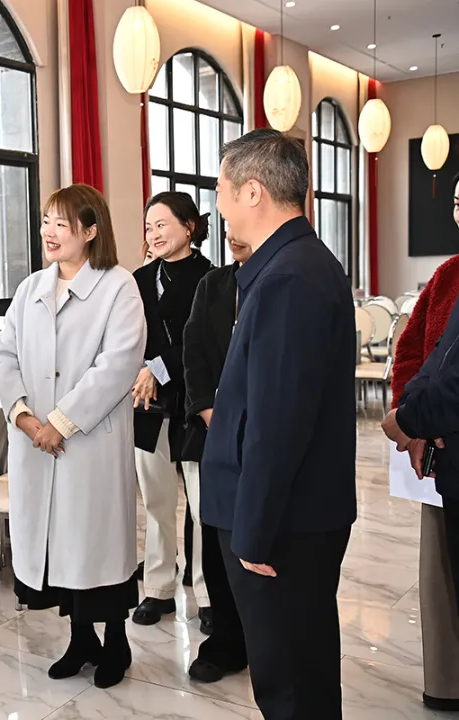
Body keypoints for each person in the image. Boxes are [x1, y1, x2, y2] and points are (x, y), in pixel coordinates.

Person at [201, 128, 356, 719]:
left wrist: (254, 532)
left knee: (291, 687)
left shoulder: (289, 277)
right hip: (295, 518)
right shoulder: (294, 264)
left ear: (253, 192)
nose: (218, 204)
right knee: (302, 675)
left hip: (284, 528)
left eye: (221, 189)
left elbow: (277, 423)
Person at [0, 183, 145, 688]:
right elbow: (4, 353)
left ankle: (116, 642)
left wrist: (61, 421)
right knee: (58, 549)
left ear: (91, 230)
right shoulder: (31, 287)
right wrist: (23, 415)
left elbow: (118, 363)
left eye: (62, 223)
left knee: (97, 545)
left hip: (89, 441)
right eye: (45, 222)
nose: (49, 232)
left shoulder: (118, 286)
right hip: (35, 440)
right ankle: (81, 641)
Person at [384, 172, 459, 712]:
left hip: (439, 427)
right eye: (457, 201)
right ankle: (445, 684)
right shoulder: (447, 273)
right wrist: (412, 416)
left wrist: (412, 418)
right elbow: (415, 350)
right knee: (441, 576)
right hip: (434, 444)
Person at [131, 192, 214, 626]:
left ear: (189, 227)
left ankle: (207, 593)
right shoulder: (139, 279)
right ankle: (159, 588)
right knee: (156, 501)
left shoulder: (213, 279)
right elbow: (127, 339)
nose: (154, 234)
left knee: (201, 507)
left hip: (194, 405)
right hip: (147, 405)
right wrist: (141, 371)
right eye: (149, 227)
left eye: (162, 224)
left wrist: (158, 368)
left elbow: (206, 344)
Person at [182, 231, 253, 683]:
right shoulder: (213, 284)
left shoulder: (283, 280)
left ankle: (262, 638)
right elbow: (193, 352)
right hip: (216, 434)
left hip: (269, 435)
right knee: (217, 539)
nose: (232, 234)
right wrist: (210, 413)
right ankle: (226, 641)